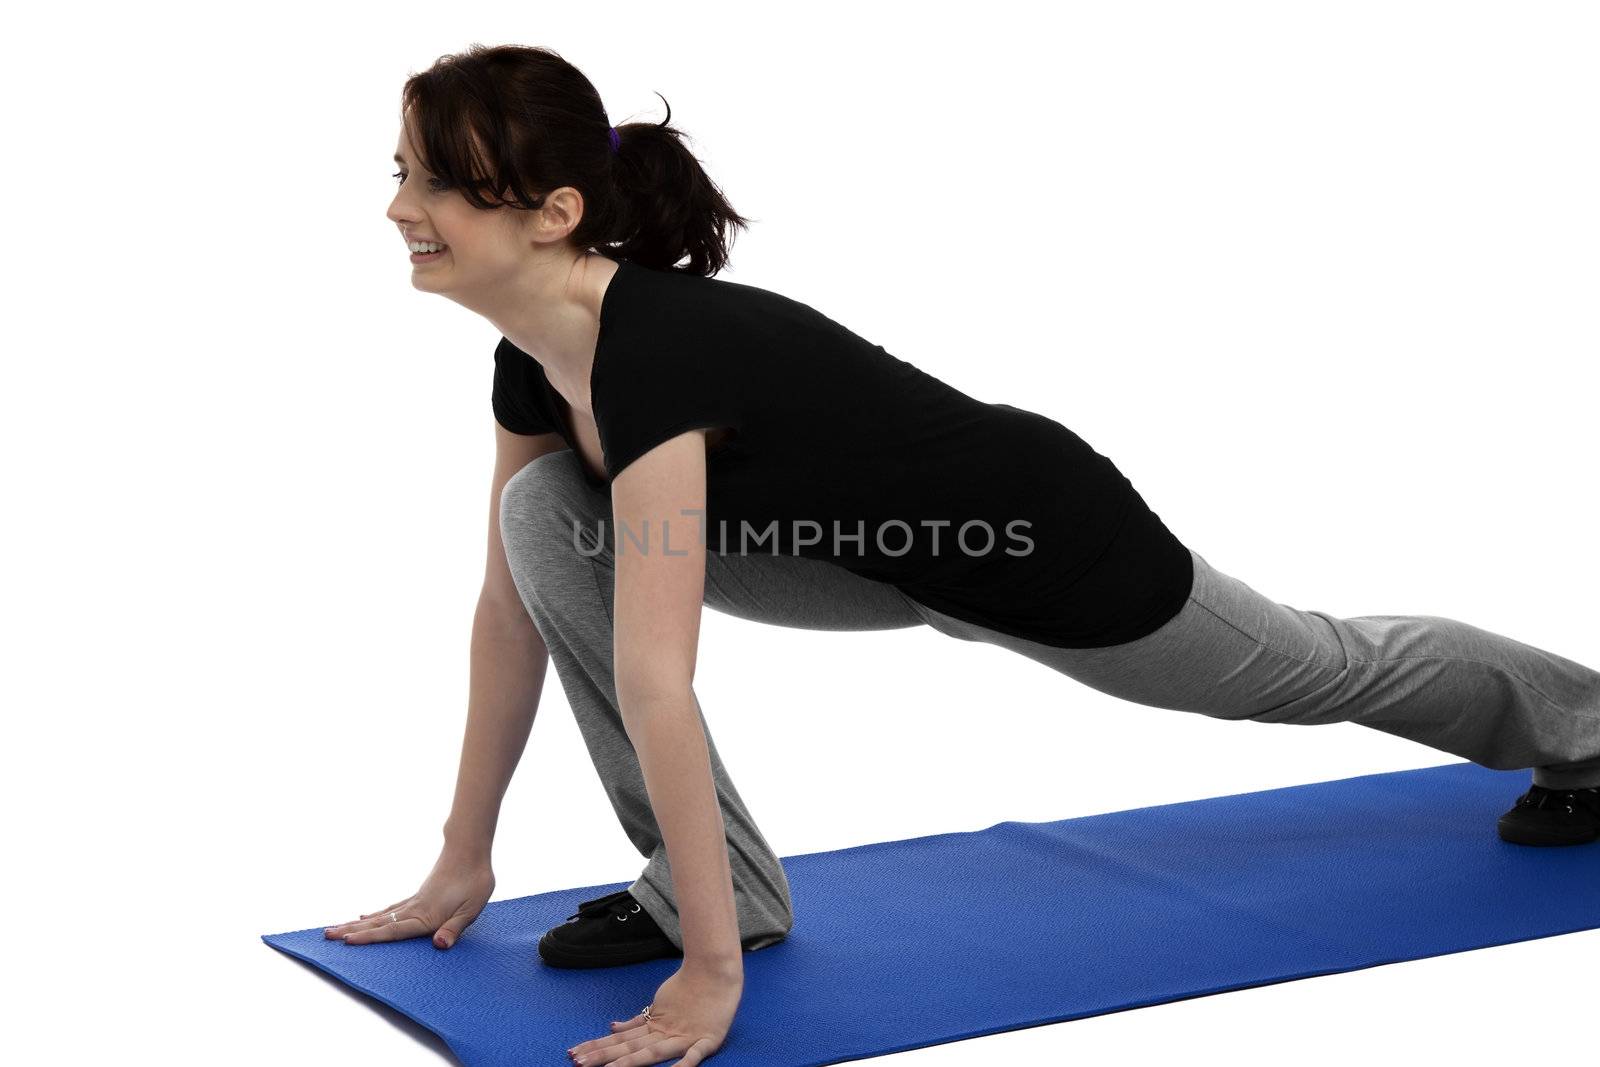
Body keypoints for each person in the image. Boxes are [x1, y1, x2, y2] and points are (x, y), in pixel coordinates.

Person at [324, 42, 1600, 1067]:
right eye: (402, 171)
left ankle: (1586, 726)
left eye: (436, 182)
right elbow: (513, 608)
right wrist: (463, 855)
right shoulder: (533, 356)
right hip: (863, 552)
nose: (399, 207)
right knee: (542, 516)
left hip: (1038, 542)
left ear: (551, 213)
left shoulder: (660, 350)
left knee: (1313, 667)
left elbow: (658, 674)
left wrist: (707, 981)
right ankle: (717, 887)